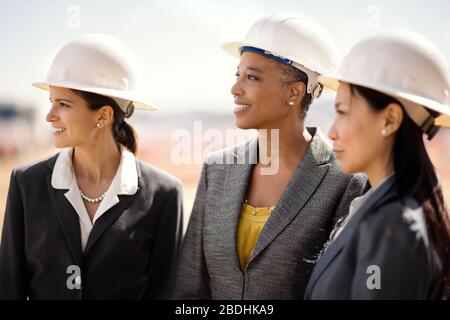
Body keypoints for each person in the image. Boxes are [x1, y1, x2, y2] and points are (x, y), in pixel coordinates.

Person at [174, 13, 367, 299]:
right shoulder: (216, 170)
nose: (235, 88)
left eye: (251, 77)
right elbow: (189, 290)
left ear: (294, 91)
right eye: (237, 75)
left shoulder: (346, 182)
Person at [0, 34, 183, 299]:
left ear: (103, 115)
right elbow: (9, 288)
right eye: (52, 102)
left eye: (63, 104)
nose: (49, 116)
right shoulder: (26, 183)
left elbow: (164, 292)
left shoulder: (164, 194)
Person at [304, 30, 450, 300]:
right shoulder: (384, 206)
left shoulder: (393, 224)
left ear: (390, 120)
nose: (331, 131)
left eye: (343, 112)